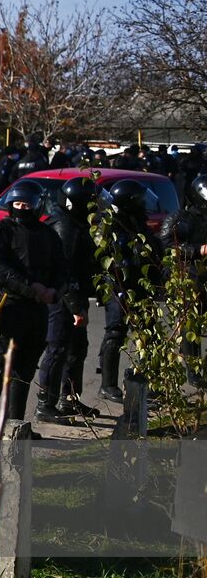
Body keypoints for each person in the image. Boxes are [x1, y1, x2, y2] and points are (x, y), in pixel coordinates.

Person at [0, 178, 68, 439]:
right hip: (7, 307)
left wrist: (54, 291)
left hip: (37, 310)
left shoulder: (49, 234)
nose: (23, 208)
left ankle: (15, 425)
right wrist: (33, 287)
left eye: (28, 204)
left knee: (26, 369)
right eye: (18, 203)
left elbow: (62, 268)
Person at [36, 177, 100, 421]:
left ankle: (70, 399)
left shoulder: (78, 224)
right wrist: (74, 306)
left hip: (76, 295)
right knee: (57, 348)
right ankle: (46, 403)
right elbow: (64, 271)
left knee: (77, 349)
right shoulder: (64, 228)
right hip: (61, 299)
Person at [96, 178, 161, 404]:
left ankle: (146, 380)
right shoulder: (113, 225)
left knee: (149, 333)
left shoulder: (138, 222)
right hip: (120, 287)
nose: (145, 203)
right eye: (140, 199)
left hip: (141, 286)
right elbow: (115, 258)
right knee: (115, 332)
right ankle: (108, 384)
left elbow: (152, 251)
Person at [160, 173, 207, 386]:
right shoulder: (180, 218)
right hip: (188, 277)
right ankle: (193, 371)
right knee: (190, 325)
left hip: (204, 276)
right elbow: (168, 247)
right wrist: (198, 250)